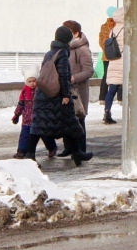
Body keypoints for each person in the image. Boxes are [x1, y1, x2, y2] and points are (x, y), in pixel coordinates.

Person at [33, 26, 92, 165]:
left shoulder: (50, 52)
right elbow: (63, 75)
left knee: (40, 127)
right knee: (71, 124)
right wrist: (66, 94)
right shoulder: (63, 54)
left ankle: (76, 152)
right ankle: (77, 153)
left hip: (45, 94)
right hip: (58, 96)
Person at [58, 20, 93, 158]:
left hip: (78, 90)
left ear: (76, 33)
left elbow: (89, 71)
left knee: (79, 120)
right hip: (67, 89)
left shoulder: (82, 49)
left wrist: (73, 78)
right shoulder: (65, 48)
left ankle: (80, 149)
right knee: (67, 119)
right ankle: (69, 148)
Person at [12, 71, 57, 160]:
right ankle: (22, 151)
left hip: (40, 119)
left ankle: (52, 148)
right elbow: (21, 104)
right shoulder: (24, 92)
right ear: (26, 82)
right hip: (27, 120)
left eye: (34, 81)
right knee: (25, 135)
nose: (32, 83)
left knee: (45, 135)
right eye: (30, 81)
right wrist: (16, 115)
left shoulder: (40, 91)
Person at [101, 8, 125, 124]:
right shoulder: (128, 29)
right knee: (129, 90)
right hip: (125, 63)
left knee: (112, 90)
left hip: (114, 62)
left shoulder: (113, 30)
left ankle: (107, 112)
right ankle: (130, 113)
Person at [97, 7, 118, 121]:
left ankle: (102, 99)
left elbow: (101, 41)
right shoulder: (117, 26)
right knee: (118, 79)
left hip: (106, 55)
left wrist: (106, 51)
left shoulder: (104, 26)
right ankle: (120, 99)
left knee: (106, 77)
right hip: (117, 57)